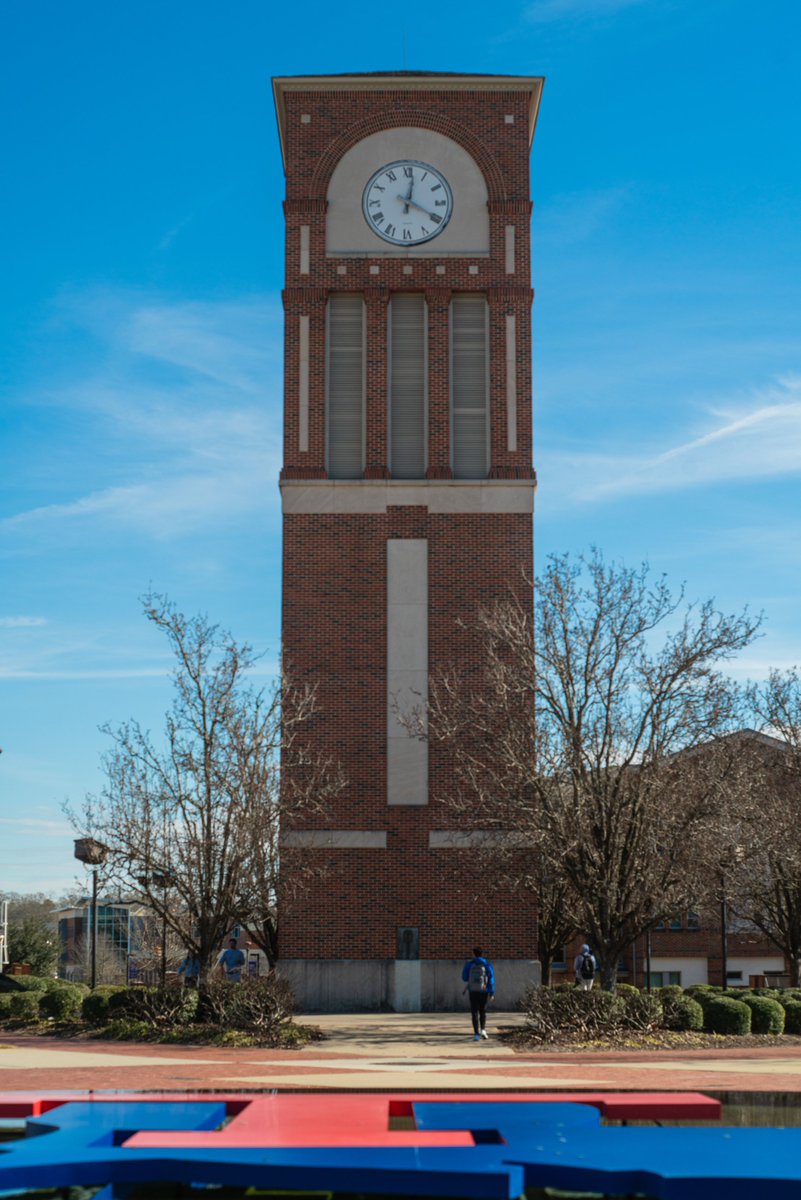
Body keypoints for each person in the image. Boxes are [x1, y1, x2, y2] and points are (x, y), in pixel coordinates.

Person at [461, 946, 495, 1040]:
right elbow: (491, 979)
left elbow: (464, 977)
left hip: (473, 991)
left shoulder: (469, 964)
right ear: (482, 954)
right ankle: (483, 1030)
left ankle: (476, 1034)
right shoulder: (487, 965)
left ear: (474, 954)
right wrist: (492, 992)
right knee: (483, 1011)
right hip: (484, 991)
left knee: (474, 1012)